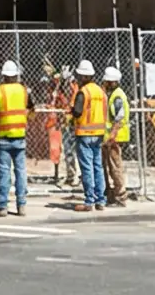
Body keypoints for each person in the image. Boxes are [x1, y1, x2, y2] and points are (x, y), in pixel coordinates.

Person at [0, 60, 30, 216]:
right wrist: (24, 122)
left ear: (4, 75)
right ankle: (22, 206)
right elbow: (31, 110)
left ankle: (2, 206)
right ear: (16, 75)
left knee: (4, 172)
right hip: (20, 136)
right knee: (20, 172)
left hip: (3, 137)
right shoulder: (23, 91)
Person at [69, 60, 108, 213]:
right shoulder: (100, 92)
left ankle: (89, 201)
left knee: (87, 168)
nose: (78, 78)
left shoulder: (83, 92)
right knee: (98, 166)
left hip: (84, 134)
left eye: (79, 75)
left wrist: (71, 111)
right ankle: (100, 200)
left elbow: (78, 112)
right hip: (98, 134)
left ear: (84, 76)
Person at [102, 67, 131, 207]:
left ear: (112, 82)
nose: (105, 83)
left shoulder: (117, 96)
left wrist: (112, 136)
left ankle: (120, 196)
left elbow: (119, 118)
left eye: (107, 81)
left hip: (115, 137)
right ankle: (112, 195)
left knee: (115, 167)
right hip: (112, 137)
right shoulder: (114, 94)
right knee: (111, 166)